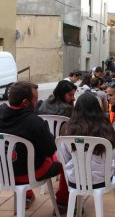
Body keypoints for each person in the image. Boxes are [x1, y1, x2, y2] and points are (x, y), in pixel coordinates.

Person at [0, 82, 69, 211]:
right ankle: (62, 202)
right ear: (25, 102)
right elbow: (50, 150)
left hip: (3, 173)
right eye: (35, 100)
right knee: (66, 158)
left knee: (22, 157)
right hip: (28, 175)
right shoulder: (34, 122)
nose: (37, 103)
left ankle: (27, 195)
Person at [60, 92, 115, 189]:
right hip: (102, 179)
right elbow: (112, 155)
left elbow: (64, 157)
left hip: (75, 179)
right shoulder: (106, 127)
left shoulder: (67, 129)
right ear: (98, 108)